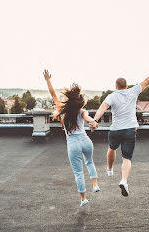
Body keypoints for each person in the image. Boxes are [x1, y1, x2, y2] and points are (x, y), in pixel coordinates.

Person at [90, 63, 149, 197]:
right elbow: (148, 80)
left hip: (115, 130)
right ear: (126, 86)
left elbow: (102, 107)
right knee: (127, 158)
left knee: (112, 148)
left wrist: (94, 121)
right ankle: (124, 180)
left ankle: (109, 169)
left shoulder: (112, 96)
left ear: (116, 86)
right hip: (130, 131)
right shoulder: (133, 91)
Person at [43, 70, 99, 207]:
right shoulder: (82, 111)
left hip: (73, 143)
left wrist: (48, 80)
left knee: (78, 172)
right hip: (85, 140)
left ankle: (83, 198)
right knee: (90, 162)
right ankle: (95, 185)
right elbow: (88, 118)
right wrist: (93, 122)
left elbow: (53, 94)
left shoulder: (62, 111)